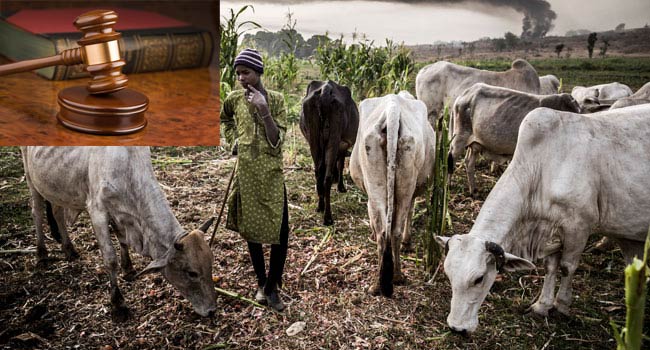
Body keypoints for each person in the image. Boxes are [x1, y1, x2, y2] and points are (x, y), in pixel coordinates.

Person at [220, 48, 289, 311]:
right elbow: (224, 119)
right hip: (246, 173)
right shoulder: (234, 99)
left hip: (271, 174)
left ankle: (272, 286)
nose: (240, 78)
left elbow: (276, 142)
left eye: (246, 72)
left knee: (280, 232)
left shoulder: (278, 100)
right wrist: (232, 140)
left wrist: (264, 110)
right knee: (252, 231)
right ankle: (263, 284)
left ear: (258, 72)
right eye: (238, 74)